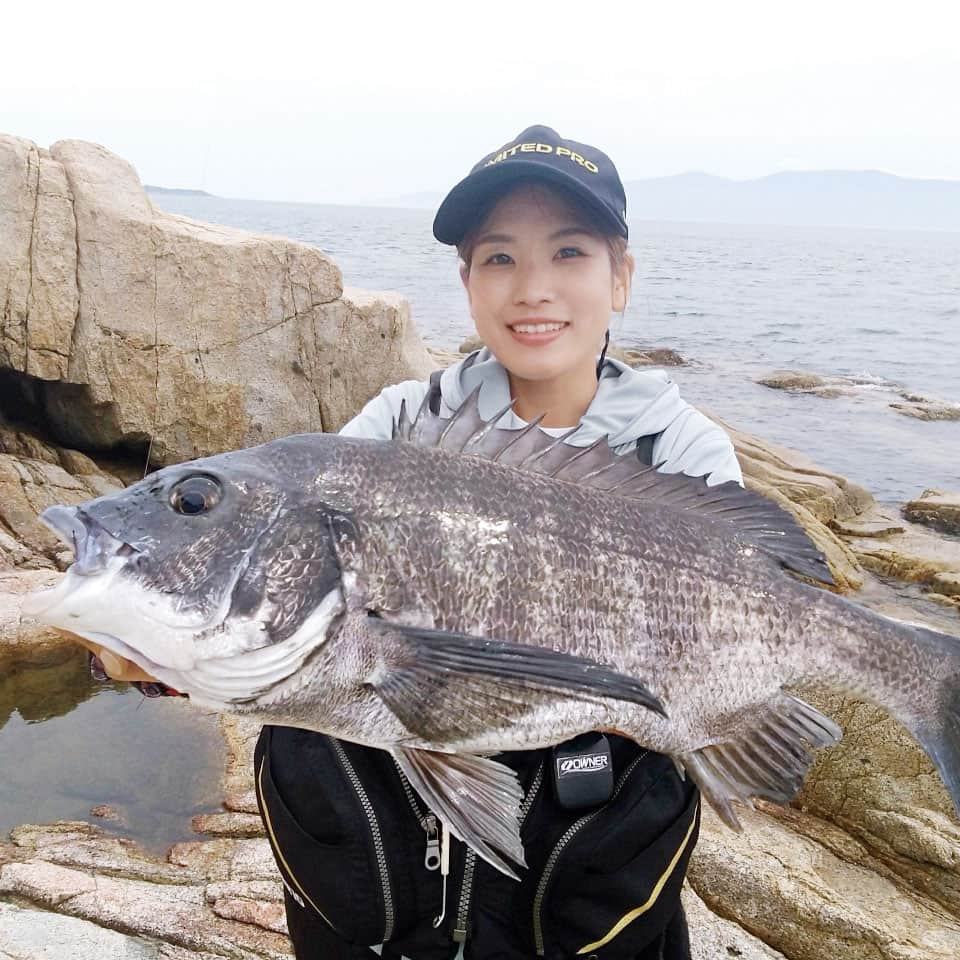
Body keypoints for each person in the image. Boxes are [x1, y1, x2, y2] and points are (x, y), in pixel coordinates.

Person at [89, 124, 742, 959]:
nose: (533, 288)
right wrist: (153, 655)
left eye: (570, 253)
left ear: (621, 277)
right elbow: (288, 597)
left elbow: (732, 663)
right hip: (374, 870)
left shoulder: (681, 458)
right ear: (467, 283)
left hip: (583, 877)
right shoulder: (395, 428)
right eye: (499, 258)